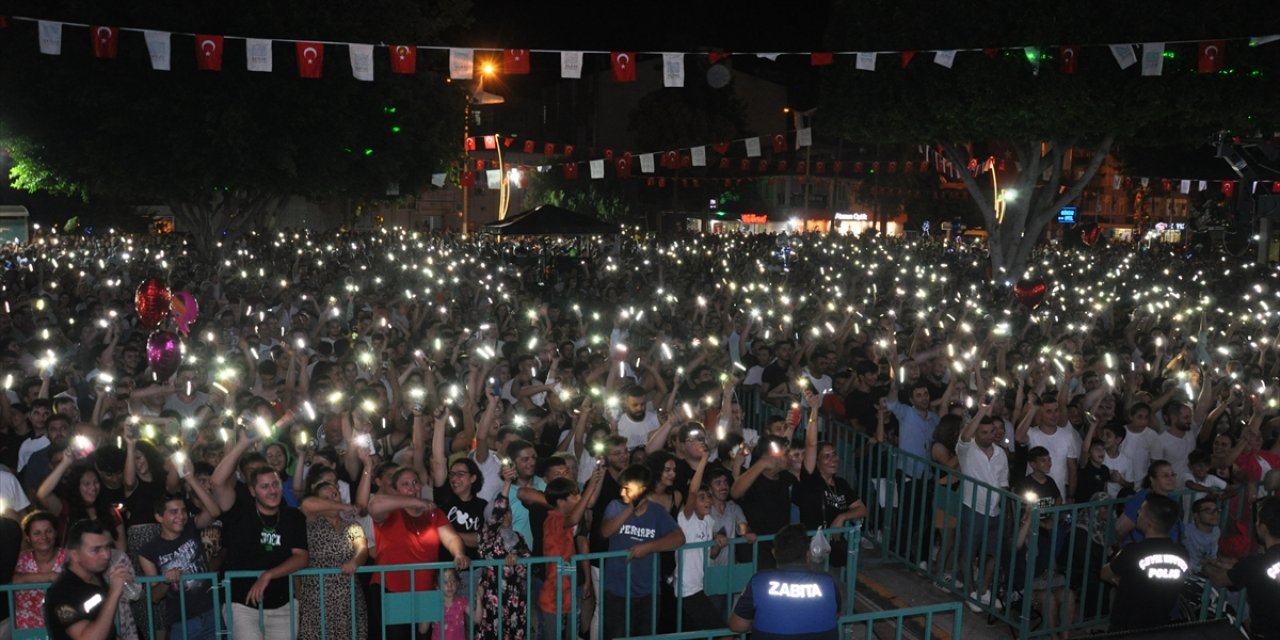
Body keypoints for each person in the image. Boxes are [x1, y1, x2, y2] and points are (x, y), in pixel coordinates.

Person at [135, 457, 223, 640]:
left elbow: (214, 512)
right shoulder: (148, 551)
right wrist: (166, 581)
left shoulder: (191, 527)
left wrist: (190, 479)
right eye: (173, 512)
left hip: (211, 612)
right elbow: (154, 596)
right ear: (159, 517)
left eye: (183, 511)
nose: (181, 516)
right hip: (182, 621)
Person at [219, 465, 309, 640]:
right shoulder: (239, 515)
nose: (272, 490)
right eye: (265, 486)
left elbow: (301, 557)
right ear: (253, 491)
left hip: (282, 605)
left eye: (275, 484)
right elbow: (217, 483)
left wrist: (268, 575)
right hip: (241, 604)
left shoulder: (293, 517)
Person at [599, 464, 685, 639]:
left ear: (643, 490)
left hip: (648, 592)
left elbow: (679, 538)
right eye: (621, 488)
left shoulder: (657, 512)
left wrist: (648, 548)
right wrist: (631, 508)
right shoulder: (615, 506)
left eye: (628, 488)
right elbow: (606, 531)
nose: (622, 492)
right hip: (617, 591)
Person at [728, 523, 840, 639]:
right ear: (808, 555)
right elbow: (835, 615)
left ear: (774, 553)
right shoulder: (828, 583)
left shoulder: (760, 582)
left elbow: (737, 625)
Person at [1102, 493, 1189, 632]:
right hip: (1160, 624)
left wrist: (1119, 579)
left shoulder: (1133, 551)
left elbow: (1105, 573)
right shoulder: (1182, 553)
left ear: (1149, 522)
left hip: (1126, 626)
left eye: (1141, 510)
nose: (1138, 512)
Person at [534, 468, 604, 637]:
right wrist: (591, 486)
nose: (579, 499)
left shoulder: (563, 520)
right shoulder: (553, 519)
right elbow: (573, 519)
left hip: (567, 589)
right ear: (561, 501)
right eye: (575, 496)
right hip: (553, 593)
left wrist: (586, 579)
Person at [296, 480, 368, 640]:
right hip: (316, 600)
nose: (331, 500)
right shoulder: (310, 523)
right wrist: (343, 507)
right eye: (325, 498)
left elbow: (362, 549)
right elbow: (307, 504)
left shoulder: (352, 526)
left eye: (335, 495)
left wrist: (354, 562)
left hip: (348, 600)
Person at [43, 519, 135, 640]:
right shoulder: (61, 592)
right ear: (75, 555)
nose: (106, 555)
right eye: (96, 550)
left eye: (107, 547)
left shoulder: (96, 577)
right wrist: (114, 592)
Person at [1206, 496, 1280, 640]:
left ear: (1263, 528)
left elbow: (1220, 579)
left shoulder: (1254, 564)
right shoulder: (1253, 565)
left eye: (1257, 521)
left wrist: (1206, 566)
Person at [10, 511, 65, 632]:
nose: (44, 537)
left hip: (63, 624)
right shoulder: (19, 559)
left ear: (56, 533)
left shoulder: (69, 557)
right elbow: (10, 579)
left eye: (48, 531)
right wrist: (48, 576)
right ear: (28, 537)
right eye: (37, 533)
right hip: (24, 627)